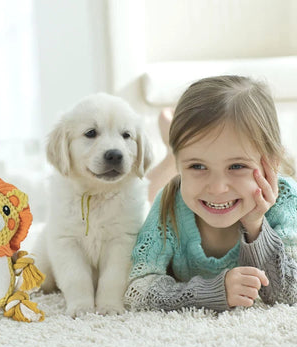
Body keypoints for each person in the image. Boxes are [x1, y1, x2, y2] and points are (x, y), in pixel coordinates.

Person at [124, 75, 297, 312]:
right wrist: (210, 292)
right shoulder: (169, 203)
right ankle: (170, 151)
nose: (217, 188)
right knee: (142, 192)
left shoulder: (285, 201)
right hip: (172, 185)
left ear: (271, 164)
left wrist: (256, 226)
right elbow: (136, 290)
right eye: (197, 166)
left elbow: (289, 293)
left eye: (237, 166)